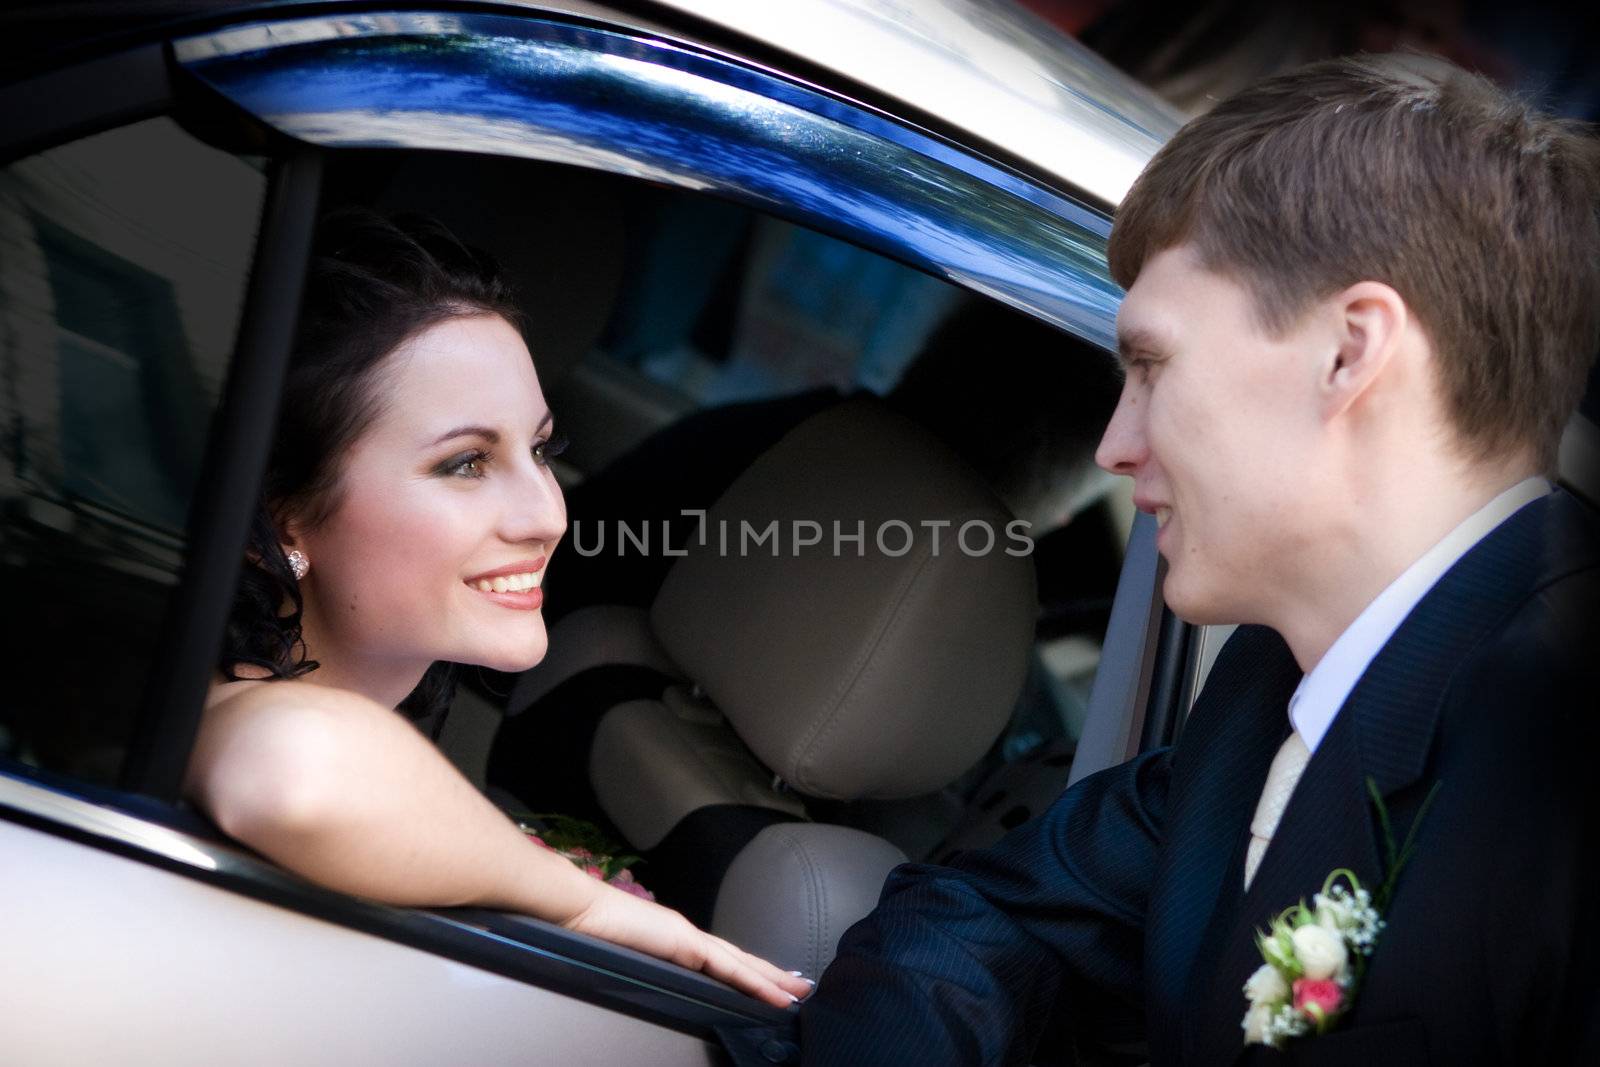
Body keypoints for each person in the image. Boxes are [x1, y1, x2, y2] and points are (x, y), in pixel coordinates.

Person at [800, 53, 1600, 1065]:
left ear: (1349, 353)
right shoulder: (1270, 688)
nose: (1112, 445)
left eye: (1149, 364)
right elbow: (981, 920)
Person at [184, 209, 811, 1009]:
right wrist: (581, 901)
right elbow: (294, 764)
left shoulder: (405, 798)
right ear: (281, 517)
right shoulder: (224, 722)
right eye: (466, 462)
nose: (547, 513)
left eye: (541, 450)